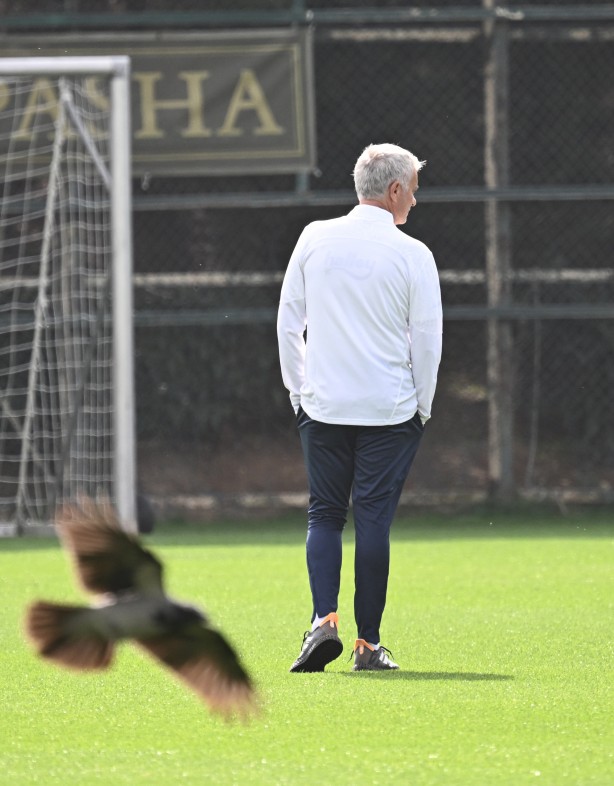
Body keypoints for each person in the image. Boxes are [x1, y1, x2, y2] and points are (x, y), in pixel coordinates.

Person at [277, 143, 442, 672]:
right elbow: (428, 339)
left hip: (322, 406)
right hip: (390, 411)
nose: (414, 202)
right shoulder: (413, 254)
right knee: (373, 521)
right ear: (394, 190)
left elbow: (288, 322)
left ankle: (322, 622)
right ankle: (367, 646)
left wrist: (298, 392)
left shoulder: (312, 238)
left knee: (324, 514)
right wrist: (423, 405)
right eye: (412, 191)